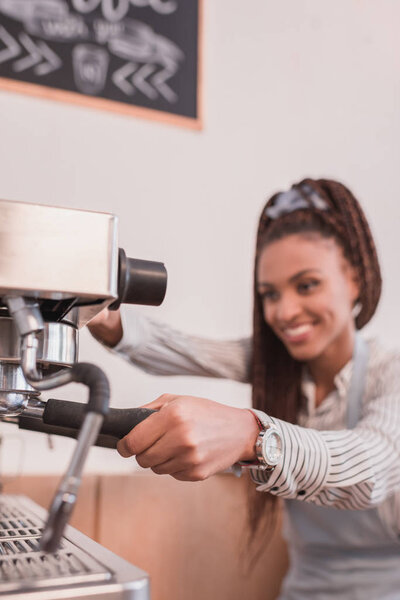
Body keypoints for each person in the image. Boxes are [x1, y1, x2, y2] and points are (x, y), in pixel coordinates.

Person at [89, 178, 400, 599]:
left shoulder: (390, 372)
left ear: (357, 279)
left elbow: (373, 467)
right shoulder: (279, 366)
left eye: (307, 285)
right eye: (269, 294)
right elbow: (190, 352)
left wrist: (255, 437)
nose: (285, 312)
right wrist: (104, 317)